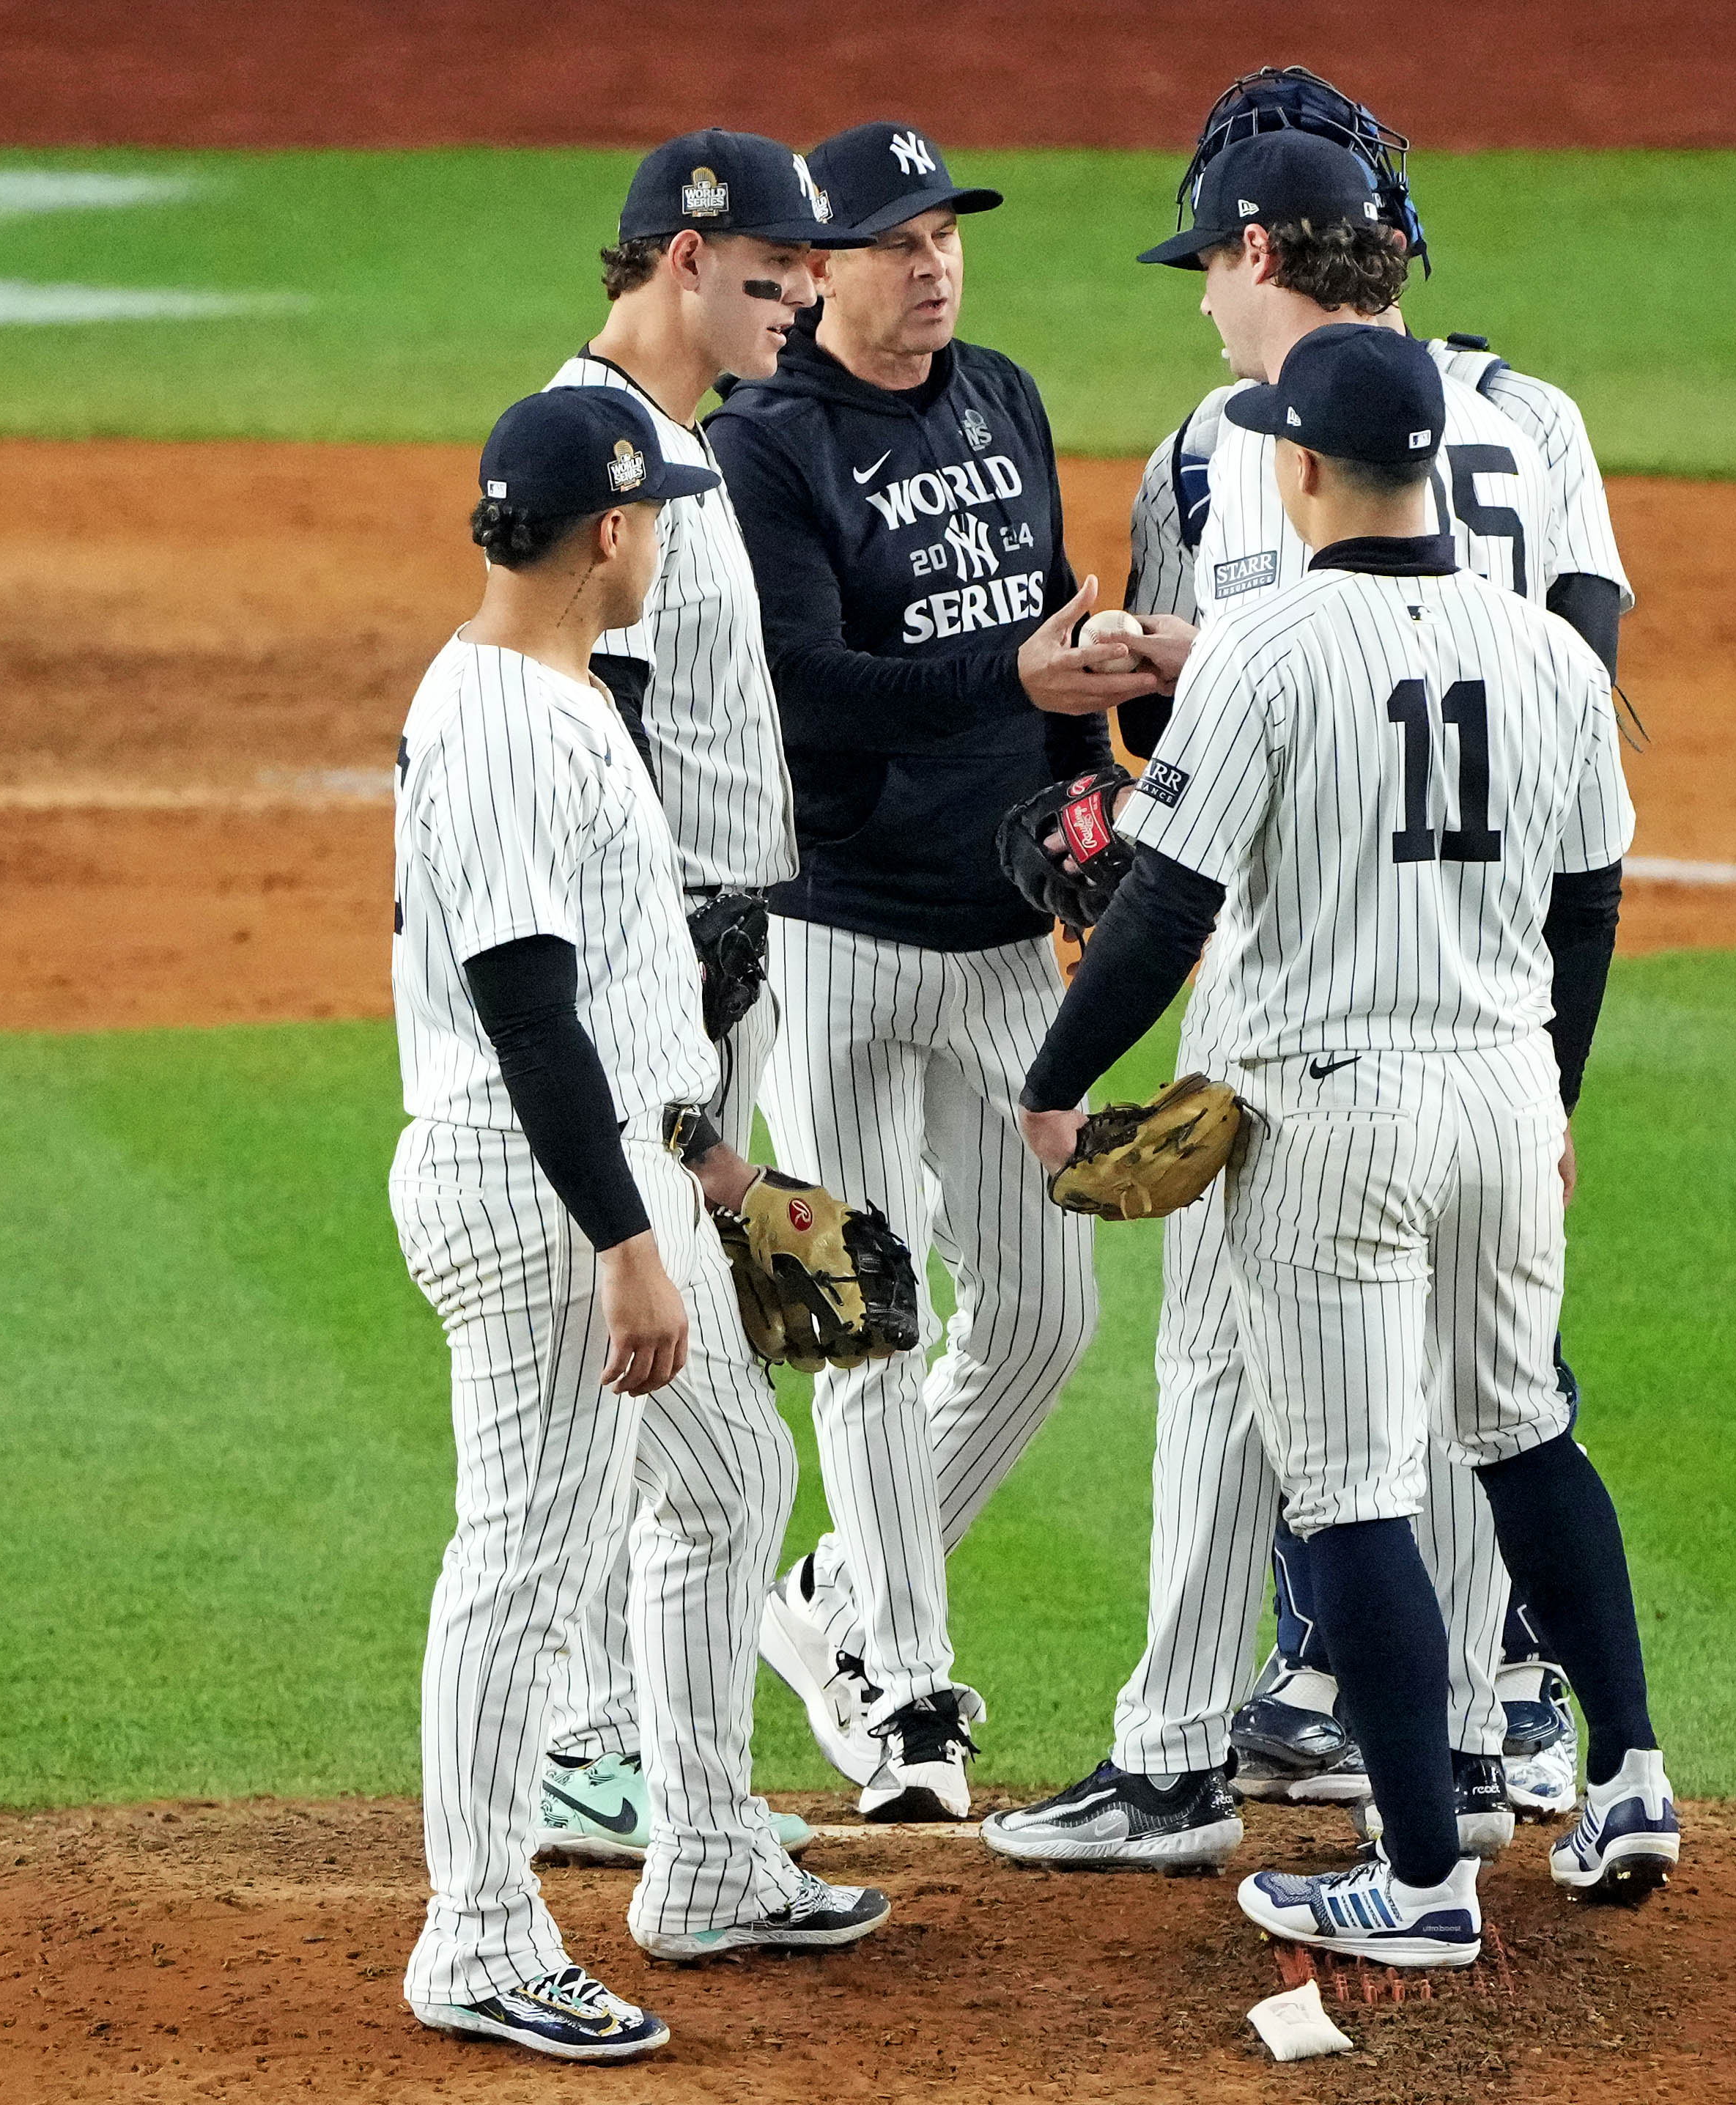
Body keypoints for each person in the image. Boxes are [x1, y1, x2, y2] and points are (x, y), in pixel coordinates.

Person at [1009, 325, 1675, 1961]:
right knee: (1523, 1431)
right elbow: (1589, 908)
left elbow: (1168, 901)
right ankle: (1636, 1774)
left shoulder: (1266, 642)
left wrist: (1059, 1073)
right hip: (1510, 1092)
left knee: (1357, 1482)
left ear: (1298, 467)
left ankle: (1426, 1876)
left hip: (1332, 1108)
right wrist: (1560, 1091)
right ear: (1432, 462)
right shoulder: (1549, 656)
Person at [1148, 64, 1639, 1825]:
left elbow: (1243, 733)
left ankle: (1217, 1737)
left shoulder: (1242, 440)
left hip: (1304, 969)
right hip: (1501, 947)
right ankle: (1505, 1712)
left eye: (1212, 257)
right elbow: (1586, 668)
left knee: (1267, 1358)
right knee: (1494, 1378)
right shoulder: (1547, 419)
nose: (1205, 291)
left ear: (1265, 246)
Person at [391, 388, 887, 2068]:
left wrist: (715, 1178)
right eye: (656, 516)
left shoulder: (557, 693)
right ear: (606, 532)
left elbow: (620, 997)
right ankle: (475, 1928)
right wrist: (624, 1239)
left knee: (734, 1472)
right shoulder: (509, 723)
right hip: (538, 1186)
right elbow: (530, 1011)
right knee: (521, 1555)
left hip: (616, 1164)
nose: (666, 538)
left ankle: (703, 1852)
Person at [705, 119, 1157, 1822]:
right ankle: (905, 1689)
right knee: (870, 1306)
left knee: (1049, 1307)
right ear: (819, 268)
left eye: (948, 231)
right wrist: (1010, 680)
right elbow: (811, 688)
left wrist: (1093, 771)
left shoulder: (1006, 398)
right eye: (896, 238)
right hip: (829, 926)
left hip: (995, 929)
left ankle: (829, 1596)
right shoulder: (768, 446)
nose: (934, 262)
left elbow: (1045, 626)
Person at [530, 128, 867, 1871]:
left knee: (669, 1369)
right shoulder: (609, 451)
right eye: (770, 274)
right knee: (653, 1373)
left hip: (708, 973)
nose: (804, 296)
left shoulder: (680, 442)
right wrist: (671, 945)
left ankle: (614, 1751)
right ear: (680, 260)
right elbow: (608, 741)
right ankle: (591, 1748)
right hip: (663, 977)